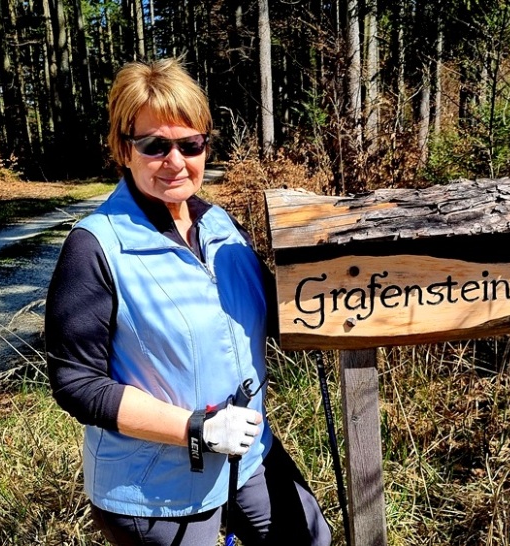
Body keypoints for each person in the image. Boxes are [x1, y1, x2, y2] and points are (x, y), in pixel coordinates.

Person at [45, 57, 331, 546]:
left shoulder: (219, 225)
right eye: (155, 146)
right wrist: (195, 427)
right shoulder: (96, 246)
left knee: (307, 537)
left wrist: (348, 306)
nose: (175, 161)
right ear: (124, 149)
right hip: (153, 484)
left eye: (189, 144)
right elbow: (75, 382)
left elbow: (277, 312)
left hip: (245, 454)